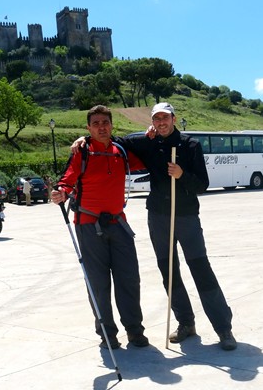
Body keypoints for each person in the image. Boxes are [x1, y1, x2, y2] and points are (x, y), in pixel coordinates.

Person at [72, 102, 237, 351]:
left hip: (187, 216)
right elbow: (114, 139)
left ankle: (223, 328)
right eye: (157, 118)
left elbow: (202, 184)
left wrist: (182, 175)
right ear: (152, 121)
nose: (161, 122)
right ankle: (186, 323)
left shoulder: (191, 145)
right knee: (169, 273)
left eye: (165, 118)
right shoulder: (149, 143)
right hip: (158, 217)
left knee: (200, 269)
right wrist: (83, 138)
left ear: (173, 118)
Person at [52, 104, 149, 350]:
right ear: (88, 128)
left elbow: (148, 155)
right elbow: (68, 178)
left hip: (119, 224)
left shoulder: (121, 152)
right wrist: (61, 192)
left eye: (104, 123)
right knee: (98, 283)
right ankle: (107, 334)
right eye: (95, 124)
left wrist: (153, 134)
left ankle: (135, 331)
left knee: (129, 279)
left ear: (111, 125)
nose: (101, 127)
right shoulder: (82, 153)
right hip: (87, 225)